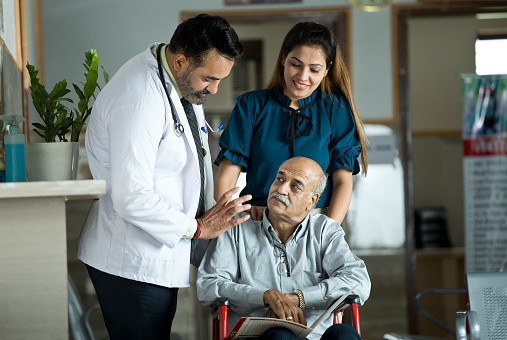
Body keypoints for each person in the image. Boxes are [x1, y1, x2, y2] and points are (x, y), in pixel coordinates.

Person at [77, 14, 251, 339]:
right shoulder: (141, 97)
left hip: (153, 252)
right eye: (209, 78)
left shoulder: (178, 82)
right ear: (181, 60)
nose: (214, 88)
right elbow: (132, 197)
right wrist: (199, 227)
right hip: (132, 261)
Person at [197, 157, 371, 340]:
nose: (281, 189)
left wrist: (298, 298)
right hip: (255, 336)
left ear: (311, 201)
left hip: (314, 335)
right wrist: (265, 296)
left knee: (344, 334)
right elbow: (208, 285)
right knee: (281, 336)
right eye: (279, 179)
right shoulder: (237, 228)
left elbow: (358, 281)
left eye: (295, 186)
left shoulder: (324, 231)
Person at [214, 22, 369, 224]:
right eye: (295, 64)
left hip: (316, 224)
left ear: (327, 69)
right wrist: (236, 218)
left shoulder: (336, 108)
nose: (303, 76)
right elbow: (227, 178)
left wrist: (328, 233)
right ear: (283, 58)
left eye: (314, 69)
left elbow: (342, 181)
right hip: (257, 222)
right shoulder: (251, 105)